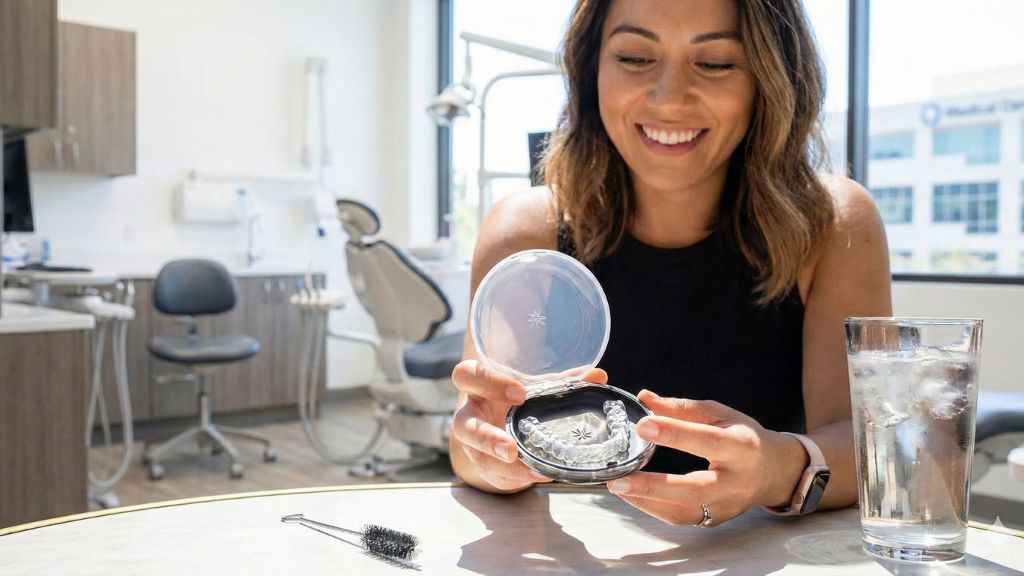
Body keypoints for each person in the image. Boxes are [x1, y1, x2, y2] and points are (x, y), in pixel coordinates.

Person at [449, 0, 892, 528]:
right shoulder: (525, 232)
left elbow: (868, 446)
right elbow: (473, 438)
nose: (669, 98)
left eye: (716, 63)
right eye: (635, 57)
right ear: (592, 69)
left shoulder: (837, 225)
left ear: (771, 78)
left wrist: (777, 469)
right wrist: (491, 456)